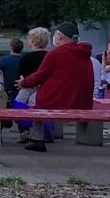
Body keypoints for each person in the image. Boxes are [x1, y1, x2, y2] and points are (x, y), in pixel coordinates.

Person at [17, 22, 93, 153]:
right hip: (82, 101)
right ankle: (48, 133)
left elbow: (39, 76)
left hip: (61, 100)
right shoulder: (85, 55)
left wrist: (22, 83)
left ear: (59, 36)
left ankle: (37, 139)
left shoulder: (56, 54)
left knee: (33, 100)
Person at [0, 38, 24, 104]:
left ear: (11, 47)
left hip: (8, 90)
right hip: (21, 90)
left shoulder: (4, 60)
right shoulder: (24, 60)